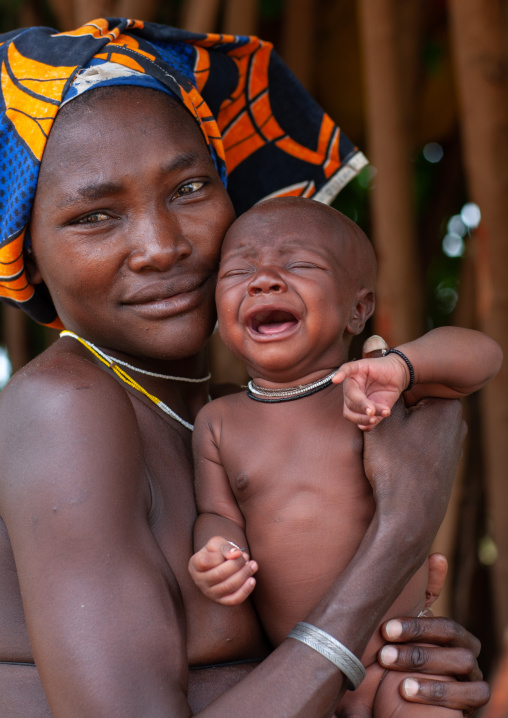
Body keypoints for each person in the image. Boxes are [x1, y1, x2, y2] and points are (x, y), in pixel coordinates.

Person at [0, 18, 489, 717]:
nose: (161, 246)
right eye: (93, 218)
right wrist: (399, 531)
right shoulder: (64, 410)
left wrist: (399, 675)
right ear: (30, 261)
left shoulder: (229, 415)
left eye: (190, 188)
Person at [189, 198, 502, 716]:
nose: (264, 280)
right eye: (239, 269)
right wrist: (215, 553)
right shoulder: (218, 421)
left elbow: (484, 358)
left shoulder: (375, 390)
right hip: (294, 672)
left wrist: (404, 366)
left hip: (397, 665)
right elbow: (218, 512)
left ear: (358, 309)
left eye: (299, 264)